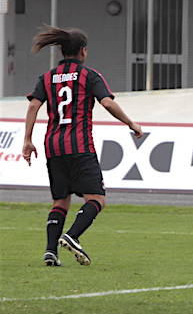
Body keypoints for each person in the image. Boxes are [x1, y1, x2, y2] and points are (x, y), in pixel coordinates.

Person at [23, 26, 142, 266]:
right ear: (83, 51)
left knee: (60, 201)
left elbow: (33, 106)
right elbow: (107, 104)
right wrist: (130, 122)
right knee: (96, 199)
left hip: (53, 146)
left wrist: (27, 140)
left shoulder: (47, 77)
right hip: (79, 145)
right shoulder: (89, 75)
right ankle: (72, 236)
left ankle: (50, 252)